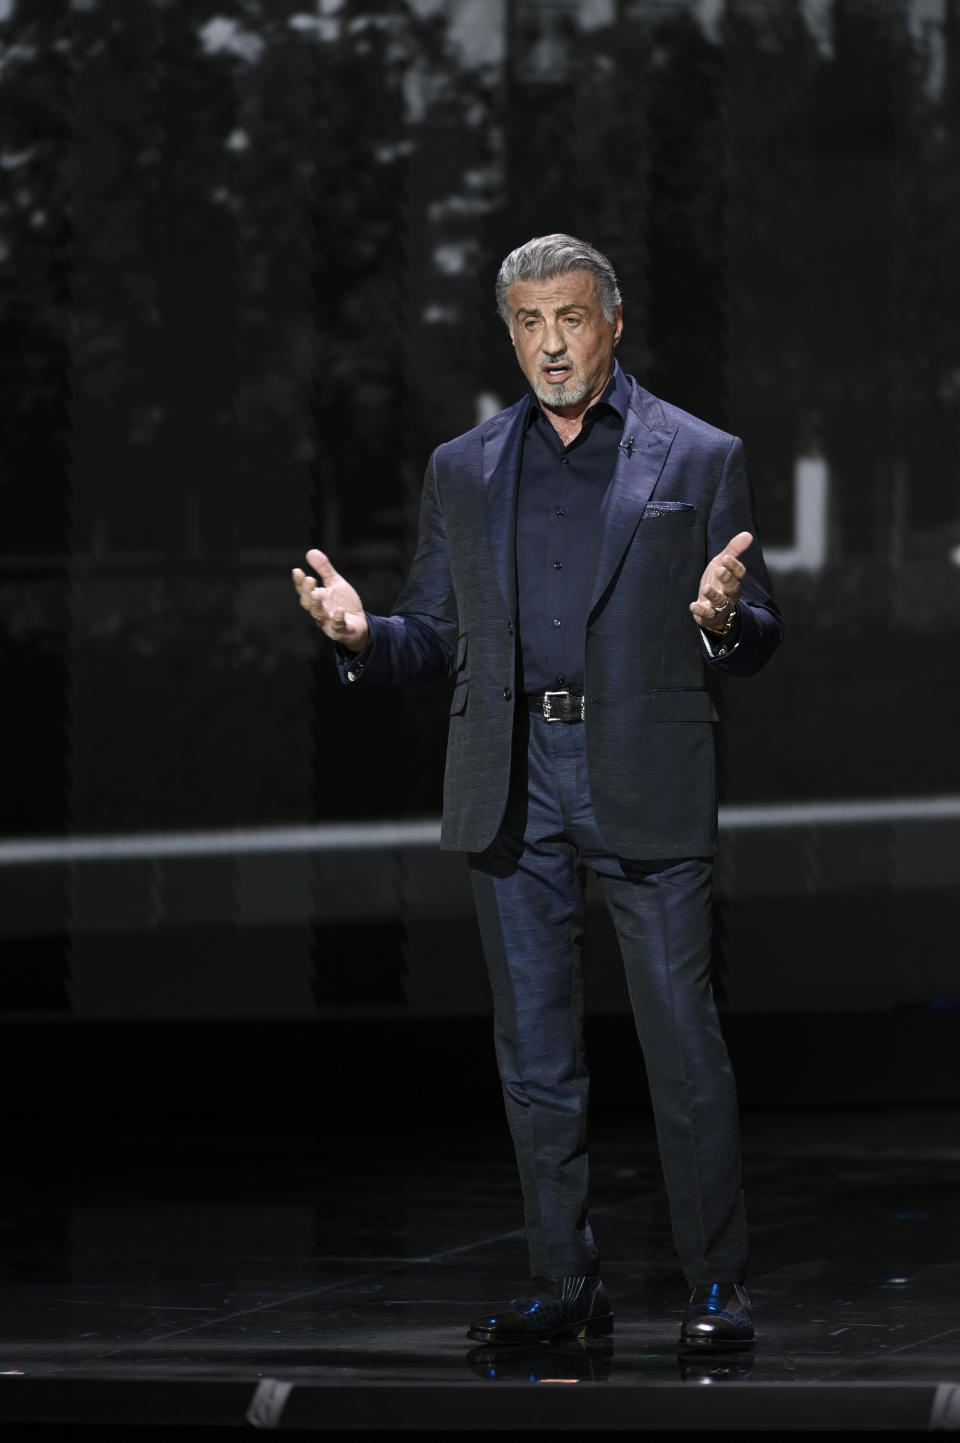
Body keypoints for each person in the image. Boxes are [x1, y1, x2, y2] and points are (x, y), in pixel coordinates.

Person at [293, 233, 783, 1352]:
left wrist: (719, 622)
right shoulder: (464, 467)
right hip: (513, 779)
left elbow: (757, 629)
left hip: (644, 773)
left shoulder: (698, 456)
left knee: (681, 1044)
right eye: (528, 323)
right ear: (509, 332)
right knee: (536, 1056)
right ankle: (566, 1282)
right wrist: (368, 637)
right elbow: (435, 634)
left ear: (612, 320)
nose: (551, 344)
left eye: (570, 318)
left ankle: (717, 1284)